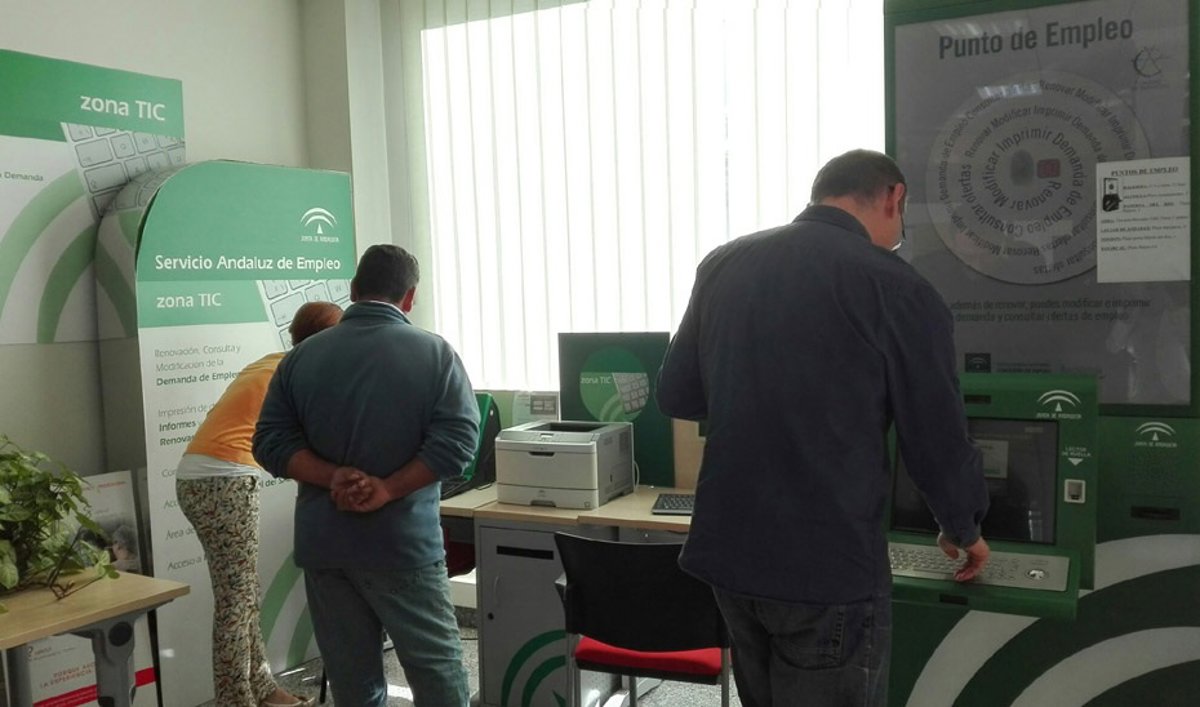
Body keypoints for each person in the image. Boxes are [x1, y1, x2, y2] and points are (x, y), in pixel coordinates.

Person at [656, 149, 991, 707]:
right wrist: (963, 526)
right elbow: (935, 435)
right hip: (826, 565)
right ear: (894, 198)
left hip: (731, 557)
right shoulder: (898, 288)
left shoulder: (724, 264)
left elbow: (677, 394)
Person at [252, 244, 480, 707]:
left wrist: (333, 476)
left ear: (354, 290)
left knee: (352, 681)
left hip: (326, 548)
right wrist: (387, 489)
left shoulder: (299, 358)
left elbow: (269, 443)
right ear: (410, 297)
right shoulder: (435, 354)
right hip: (402, 546)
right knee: (436, 673)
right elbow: (458, 445)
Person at [176, 300, 343, 707]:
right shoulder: (302, 374)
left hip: (203, 477)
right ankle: (236, 700)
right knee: (235, 601)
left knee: (244, 591)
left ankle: (263, 689)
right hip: (223, 480)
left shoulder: (273, 362)